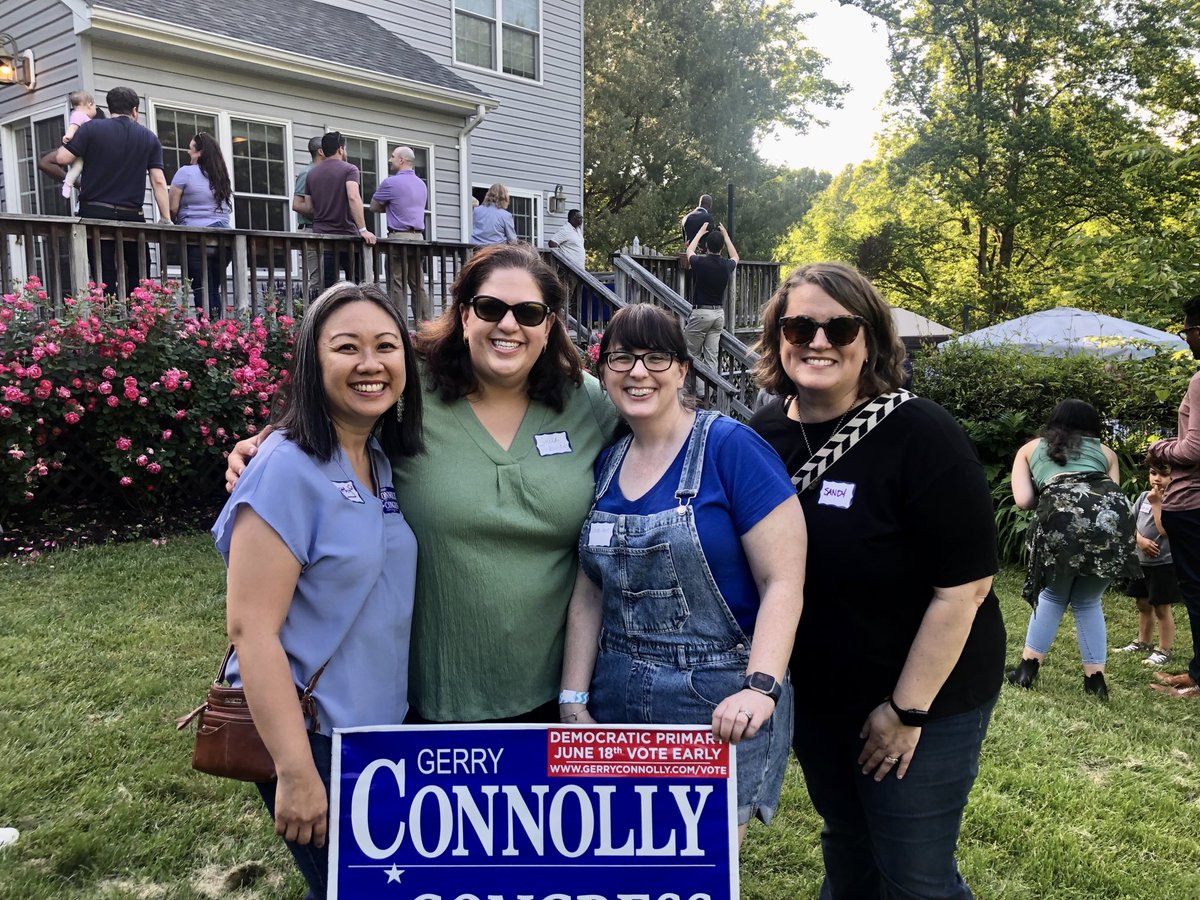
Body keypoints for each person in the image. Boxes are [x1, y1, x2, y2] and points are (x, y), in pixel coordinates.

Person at [227, 244, 619, 725]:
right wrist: (264, 445)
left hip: (550, 692)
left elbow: (663, 439)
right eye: (491, 308)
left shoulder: (589, 402)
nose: (509, 325)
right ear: (464, 314)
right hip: (422, 694)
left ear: (550, 324)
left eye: (530, 312)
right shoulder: (410, 390)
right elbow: (335, 414)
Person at [749, 261, 1005, 899]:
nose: (819, 341)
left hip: (925, 695)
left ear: (871, 341)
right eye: (800, 325)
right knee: (848, 842)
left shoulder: (922, 435)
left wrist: (905, 711)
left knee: (914, 874)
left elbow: (965, 590)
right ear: (777, 336)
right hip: (819, 694)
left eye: (841, 327)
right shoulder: (763, 434)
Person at [559, 304, 805, 843]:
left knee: (700, 867)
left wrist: (760, 688)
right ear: (603, 373)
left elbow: (783, 581)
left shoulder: (731, 448)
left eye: (656, 358)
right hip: (615, 697)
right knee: (621, 863)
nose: (638, 372)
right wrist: (573, 698)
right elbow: (588, 594)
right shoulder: (606, 463)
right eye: (622, 358)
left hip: (717, 701)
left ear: (683, 370)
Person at [214, 282, 424, 898]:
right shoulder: (285, 466)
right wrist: (296, 773)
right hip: (315, 735)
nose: (370, 364)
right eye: (346, 347)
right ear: (313, 360)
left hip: (377, 733)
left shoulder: (375, 460)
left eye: (387, 346)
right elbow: (251, 630)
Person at [1008, 399, 1134, 700]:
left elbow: (1024, 500)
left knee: (1052, 594)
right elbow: (1109, 497)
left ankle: (1027, 670)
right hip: (1114, 523)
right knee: (1088, 601)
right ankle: (1095, 682)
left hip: (1060, 521)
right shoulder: (1106, 453)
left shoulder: (1030, 449)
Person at [49, 86, 171, 296]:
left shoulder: (91, 130)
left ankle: (108, 321)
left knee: (104, 275)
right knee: (140, 271)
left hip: (95, 213)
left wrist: (69, 139)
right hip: (131, 216)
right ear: (135, 110)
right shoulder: (148, 137)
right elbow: (158, 181)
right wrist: (165, 218)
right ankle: (139, 319)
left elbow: (61, 159)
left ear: (110, 107)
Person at [1150, 295, 1200, 698]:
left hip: (1193, 504)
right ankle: (1198, 670)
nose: (1187, 340)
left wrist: (1158, 448)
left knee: (1197, 592)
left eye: (1187, 331)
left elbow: (1192, 450)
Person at [1113, 449, 1178, 667]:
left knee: (1161, 607)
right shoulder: (1143, 497)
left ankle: (1165, 650)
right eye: (1153, 473)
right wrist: (1139, 540)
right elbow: (1129, 524)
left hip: (1164, 563)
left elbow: (1165, 530)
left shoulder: (1174, 502)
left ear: (1175, 477)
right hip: (1141, 561)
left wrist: (1158, 503)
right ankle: (1143, 642)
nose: (1157, 479)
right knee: (1142, 603)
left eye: (1163, 474)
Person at [296, 132, 377, 290]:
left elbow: (309, 206)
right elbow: (353, 197)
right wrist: (363, 229)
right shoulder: (350, 169)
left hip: (323, 238)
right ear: (341, 149)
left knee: (329, 289)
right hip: (347, 236)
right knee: (358, 286)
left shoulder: (312, 174)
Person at [169, 132, 232, 318]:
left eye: (191, 149)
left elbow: (172, 207)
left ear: (200, 152)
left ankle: (205, 334)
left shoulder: (185, 172)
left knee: (201, 289)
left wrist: (175, 220)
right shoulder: (221, 175)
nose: (189, 152)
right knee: (214, 289)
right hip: (224, 239)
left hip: (196, 237)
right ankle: (217, 332)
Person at [370, 146, 431, 324]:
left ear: (402, 160)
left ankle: (399, 323)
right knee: (418, 283)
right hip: (419, 238)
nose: (390, 160)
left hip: (398, 237)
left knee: (397, 282)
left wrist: (389, 206)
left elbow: (374, 206)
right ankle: (425, 323)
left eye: (393, 157)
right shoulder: (422, 184)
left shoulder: (391, 183)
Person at [683, 221, 738, 370]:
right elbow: (735, 256)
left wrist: (700, 233)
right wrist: (726, 236)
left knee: (689, 354)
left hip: (702, 313)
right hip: (718, 315)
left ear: (707, 246)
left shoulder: (700, 262)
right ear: (721, 247)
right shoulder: (726, 265)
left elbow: (690, 252)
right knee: (711, 357)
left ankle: (695, 391)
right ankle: (709, 391)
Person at [293, 136, 325, 300]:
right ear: (321, 151)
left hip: (326, 231)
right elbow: (297, 204)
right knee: (316, 279)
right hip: (310, 230)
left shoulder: (326, 173)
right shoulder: (307, 173)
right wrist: (323, 214)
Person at [60, 91, 98, 198]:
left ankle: (82, 186)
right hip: (79, 150)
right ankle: (67, 185)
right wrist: (68, 135)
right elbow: (73, 127)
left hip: (85, 150)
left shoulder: (81, 116)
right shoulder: (78, 115)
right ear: (90, 104)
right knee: (77, 167)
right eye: (95, 106)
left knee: (82, 168)